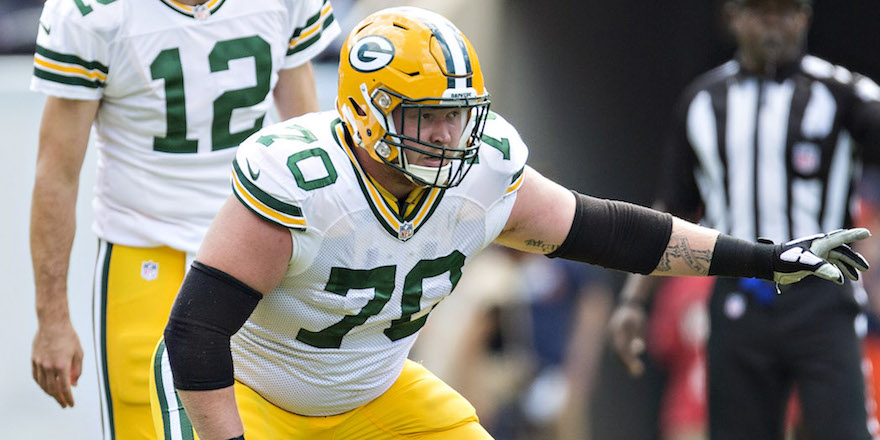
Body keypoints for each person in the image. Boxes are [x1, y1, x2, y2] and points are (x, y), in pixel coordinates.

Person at [149, 6, 871, 440]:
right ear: (365, 115)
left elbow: (614, 232)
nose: (446, 135)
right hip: (255, 395)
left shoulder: (484, 173)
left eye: (455, 115)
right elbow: (194, 332)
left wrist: (764, 258)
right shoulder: (301, 182)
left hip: (372, 392)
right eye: (425, 119)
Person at [28, 0, 340, 438]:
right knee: (146, 428)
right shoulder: (92, 13)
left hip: (255, 245)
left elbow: (306, 138)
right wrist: (52, 318)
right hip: (143, 247)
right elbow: (56, 173)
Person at [608, 0, 880, 439]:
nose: (774, 24)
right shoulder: (702, 102)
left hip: (824, 298)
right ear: (733, 16)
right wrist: (633, 300)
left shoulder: (842, 93)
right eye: (761, 12)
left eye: (786, 12)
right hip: (740, 297)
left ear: (806, 17)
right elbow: (673, 207)